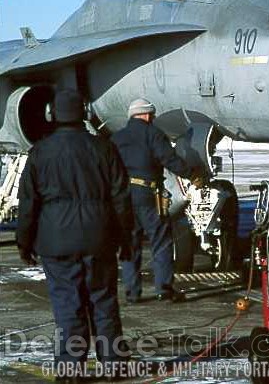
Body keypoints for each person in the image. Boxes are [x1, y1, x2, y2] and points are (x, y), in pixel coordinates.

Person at [17, 89, 133, 383]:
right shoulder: (103, 148)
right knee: (104, 301)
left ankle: (70, 369)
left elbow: (29, 204)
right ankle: (114, 365)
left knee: (68, 304)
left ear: (51, 113)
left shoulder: (40, 152)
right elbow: (121, 197)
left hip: (56, 242)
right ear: (83, 112)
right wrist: (125, 238)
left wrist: (24, 242)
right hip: (99, 238)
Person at [111, 98, 205, 303]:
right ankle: (164, 288)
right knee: (161, 241)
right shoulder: (153, 134)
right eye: (151, 115)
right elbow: (169, 159)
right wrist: (192, 174)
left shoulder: (117, 138)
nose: (152, 118)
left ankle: (132, 293)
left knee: (129, 243)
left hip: (123, 196)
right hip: (148, 194)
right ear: (145, 115)